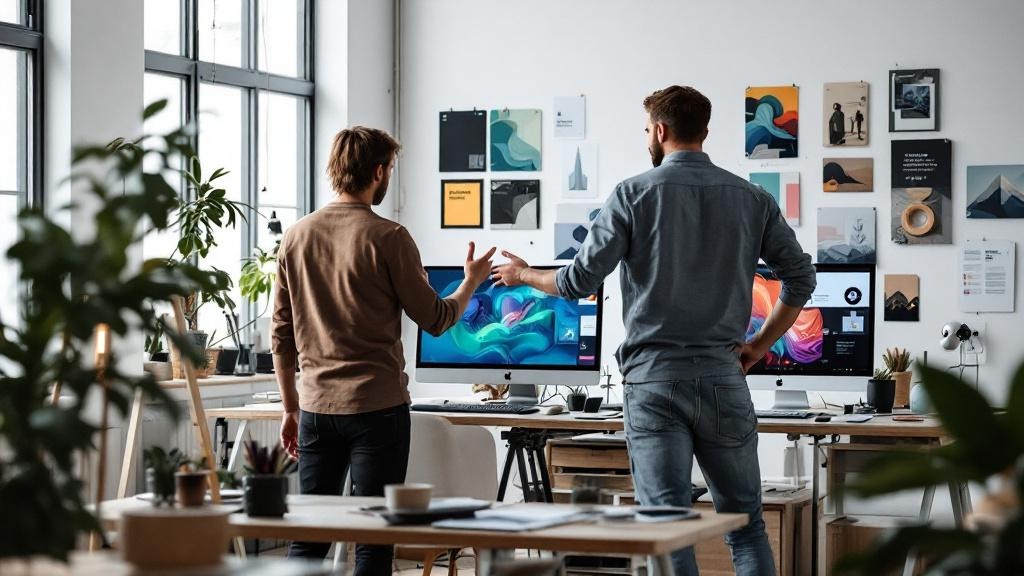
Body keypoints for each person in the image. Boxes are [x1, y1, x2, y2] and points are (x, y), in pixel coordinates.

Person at [492, 85, 816, 576]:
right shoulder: (752, 198)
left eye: (648, 128)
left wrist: (523, 275)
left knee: (666, 526)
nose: (648, 135)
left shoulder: (632, 194)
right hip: (724, 378)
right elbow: (801, 279)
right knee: (745, 526)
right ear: (704, 131)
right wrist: (758, 346)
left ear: (660, 131)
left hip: (653, 381)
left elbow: (578, 281)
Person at [272, 126, 495, 575]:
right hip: (378, 409)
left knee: (309, 534)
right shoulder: (389, 237)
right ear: (378, 171)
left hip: (316, 408)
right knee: (374, 540)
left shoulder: (295, 237)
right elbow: (435, 318)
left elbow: (281, 334)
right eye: (390, 168)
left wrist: (290, 408)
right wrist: (470, 281)